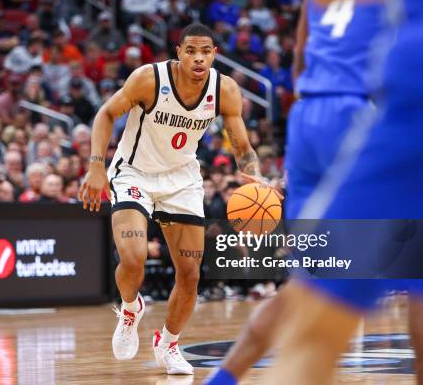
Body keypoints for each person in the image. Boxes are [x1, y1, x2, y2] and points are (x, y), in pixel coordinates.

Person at [206, 0, 423, 385]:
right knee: (421, 269)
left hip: (306, 118)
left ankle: (224, 378)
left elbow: (299, 55)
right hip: (355, 112)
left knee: (308, 282)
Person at [79, 23, 280, 376]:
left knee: (189, 274)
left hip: (182, 181)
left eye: (206, 51)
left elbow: (243, 148)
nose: (199, 58)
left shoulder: (225, 90)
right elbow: (106, 114)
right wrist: (96, 166)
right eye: (191, 51)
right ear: (179, 53)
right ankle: (130, 308)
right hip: (134, 173)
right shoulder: (149, 79)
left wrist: (256, 175)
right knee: (134, 257)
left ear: (215, 54)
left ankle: (168, 343)